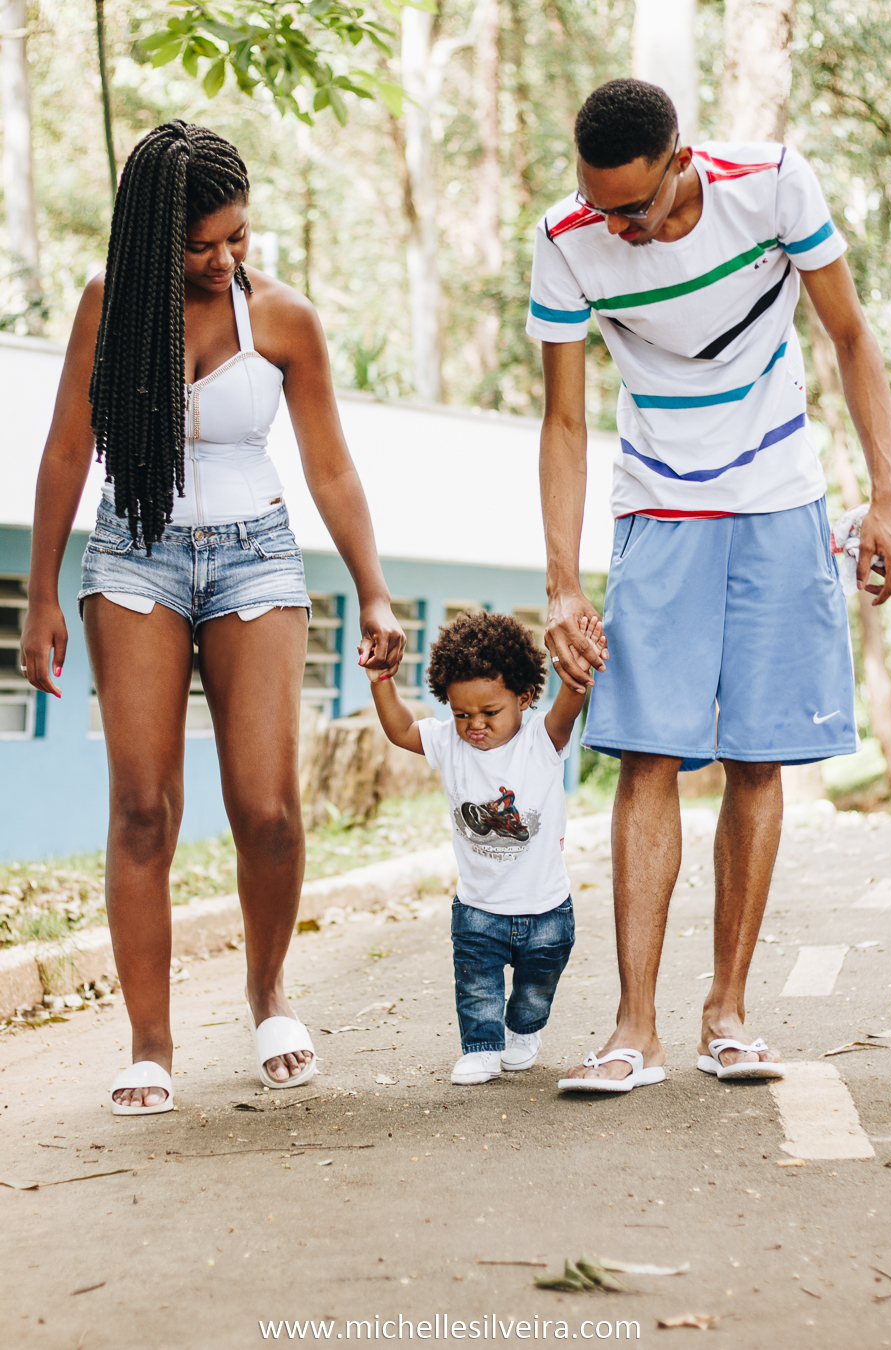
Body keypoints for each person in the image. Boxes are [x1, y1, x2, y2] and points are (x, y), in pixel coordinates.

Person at [19, 122, 405, 1115]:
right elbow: (67, 451)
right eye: (205, 244)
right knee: (144, 808)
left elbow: (330, 465)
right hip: (131, 556)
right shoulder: (110, 308)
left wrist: (373, 587)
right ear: (155, 240)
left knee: (268, 809)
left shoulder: (283, 318)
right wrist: (42, 597)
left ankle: (270, 995)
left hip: (254, 557)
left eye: (240, 235)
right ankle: (151, 1043)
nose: (229, 257)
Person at [528, 79, 891, 1092]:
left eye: (634, 210)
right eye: (601, 206)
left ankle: (727, 1014)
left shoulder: (773, 185)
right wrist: (563, 580)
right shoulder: (566, 240)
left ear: (681, 163)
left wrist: (888, 495)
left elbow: (851, 335)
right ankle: (633, 1030)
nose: (619, 229)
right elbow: (565, 422)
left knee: (758, 755)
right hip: (659, 507)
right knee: (648, 754)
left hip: (780, 497)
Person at [365, 610, 598, 1085]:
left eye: (490, 713)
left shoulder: (541, 738)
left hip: (546, 910)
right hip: (477, 909)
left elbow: (571, 700)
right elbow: (401, 730)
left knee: (535, 991)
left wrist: (575, 666)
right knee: (476, 986)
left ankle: (523, 1031)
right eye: (461, 713)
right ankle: (481, 1047)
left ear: (524, 697)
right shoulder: (450, 743)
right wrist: (381, 681)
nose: (475, 725)